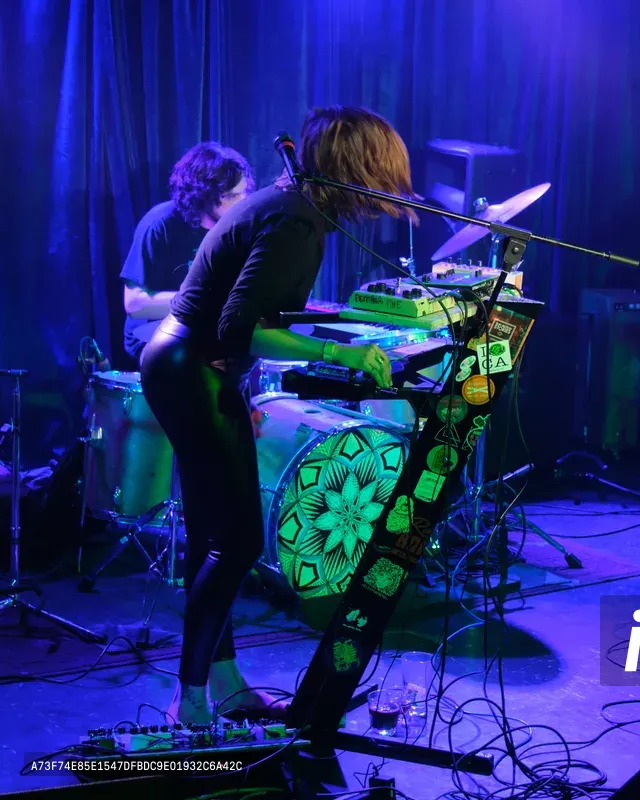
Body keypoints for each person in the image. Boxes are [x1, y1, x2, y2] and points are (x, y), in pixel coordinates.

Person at [139, 106, 414, 725]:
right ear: (358, 168)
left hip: (189, 365)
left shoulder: (291, 205)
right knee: (238, 543)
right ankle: (189, 703)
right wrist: (338, 350)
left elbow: (241, 319)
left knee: (216, 540)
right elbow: (241, 326)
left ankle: (224, 684)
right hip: (191, 368)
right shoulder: (296, 220)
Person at [120, 143, 255, 363]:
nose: (242, 203)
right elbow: (135, 304)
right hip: (155, 335)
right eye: (231, 196)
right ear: (204, 194)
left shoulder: (237, 228)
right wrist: (206, 301)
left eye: (243, 193)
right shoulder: (160, 224)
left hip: (206, 331)